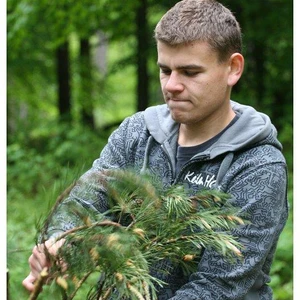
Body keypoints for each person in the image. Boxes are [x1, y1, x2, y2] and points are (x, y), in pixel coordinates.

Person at [22, 0, 289, 299]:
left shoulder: (258, 165)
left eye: (190, 72)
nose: (172, 85)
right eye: (165, 70)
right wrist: (61, 240)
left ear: (233, 68)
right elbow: (88, 199)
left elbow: (217, 287)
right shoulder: (137, 133)